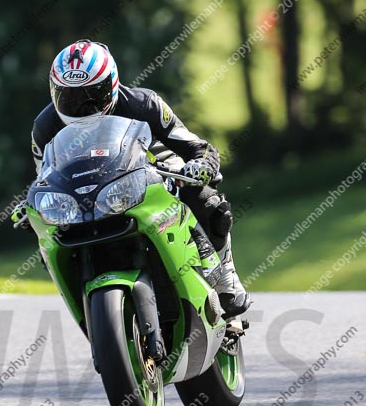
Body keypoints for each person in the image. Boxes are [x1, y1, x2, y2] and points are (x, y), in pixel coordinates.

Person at [26, 39, 251, 319]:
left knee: (205, 198)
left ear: (111, 84)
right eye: (70, 98)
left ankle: (225, 273)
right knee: (51, 239)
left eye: (92, 96)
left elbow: (196, 146)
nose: (83, 108)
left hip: (153, 175)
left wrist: (201, 164)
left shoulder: (144, 103)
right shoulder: (44, 127)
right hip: (87, 195)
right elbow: (44, 178)